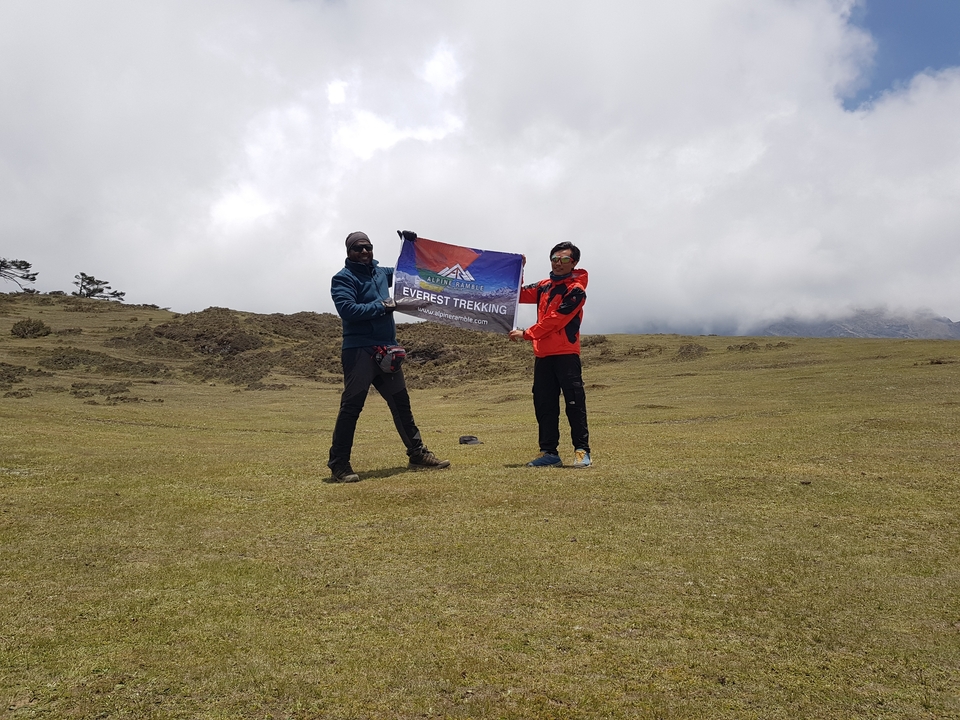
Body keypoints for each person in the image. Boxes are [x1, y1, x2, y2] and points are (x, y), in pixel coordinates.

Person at [326, 231, 450, 483]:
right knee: (351, 408)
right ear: (348, 252)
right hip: (359, 351)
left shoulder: (381, 273)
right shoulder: (343, 278)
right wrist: (382, 306)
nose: (364, 252)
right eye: (358, 248)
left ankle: (417, 454)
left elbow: (408, 272)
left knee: (401, 404)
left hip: (387, 351)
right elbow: (347, 310)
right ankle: (339, 464)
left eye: (367, 248)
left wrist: (411, 246)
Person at [509, 242, 591, 468]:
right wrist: (519, 268)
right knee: (544, 404)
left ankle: (582, 451)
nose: (558, 263)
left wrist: (527, 333)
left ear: (574, 263)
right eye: (555, 258)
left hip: (566, 354)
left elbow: (556, 320)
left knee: (574, 403)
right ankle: (549, 453)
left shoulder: (576, 290)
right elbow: (517, 294)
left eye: (564, 259)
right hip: (543, 356)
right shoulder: (544, 286)